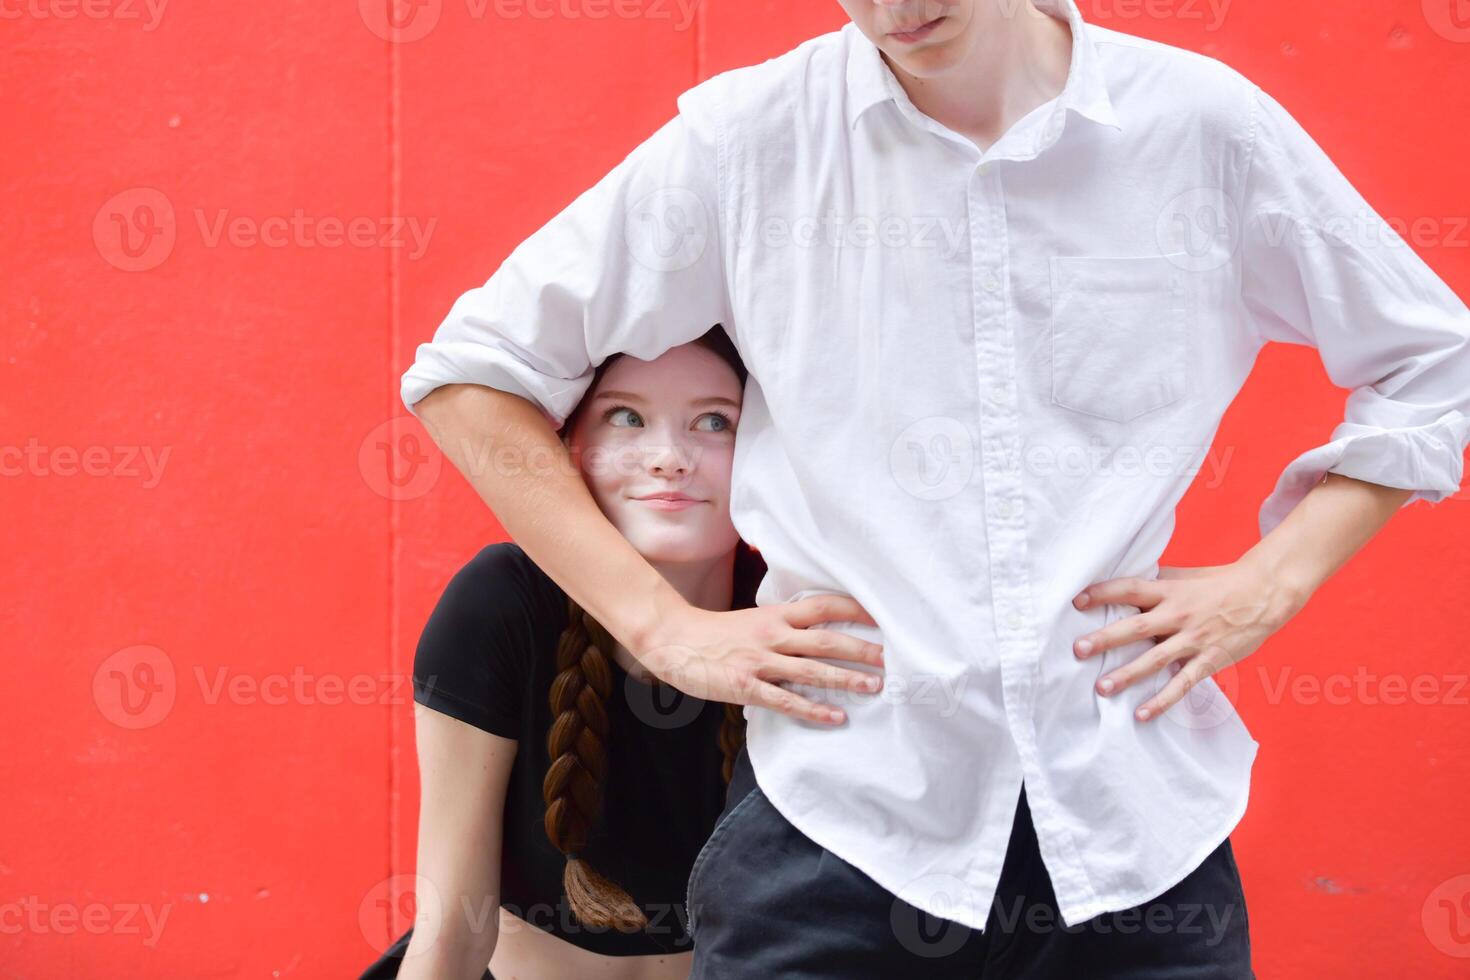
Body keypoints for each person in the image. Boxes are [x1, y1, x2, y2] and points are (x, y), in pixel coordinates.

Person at [399, 0, 1470, 976]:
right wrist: (658, 624)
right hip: (833, 842)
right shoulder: (750, 142)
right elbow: (469, 374)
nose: (896, 11)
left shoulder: (1200, 129)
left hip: (1134, 841)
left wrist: (1273, 579)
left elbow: (1436, 362)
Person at [361, 327, 872, 979]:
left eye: (714, 421)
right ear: (572, 450)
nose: (668, 457)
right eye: (627, 417)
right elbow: (453, 932)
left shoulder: (802, 617)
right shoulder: (505, 606)